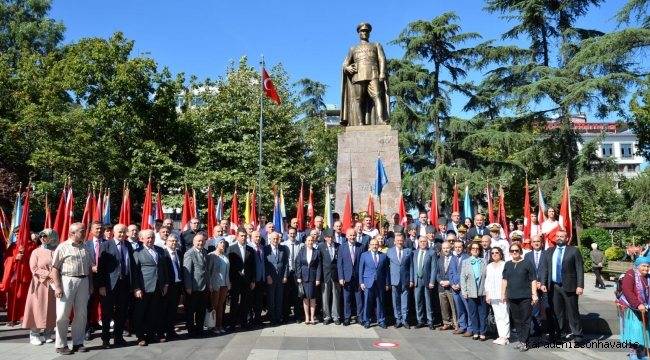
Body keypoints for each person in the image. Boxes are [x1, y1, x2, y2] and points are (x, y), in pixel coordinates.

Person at [50, 223, 94, 355]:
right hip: (67, 280)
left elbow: (89, 267)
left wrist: (91, 284)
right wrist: (57, 287)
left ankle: (78, 342)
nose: (84, 233)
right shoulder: (63, 247)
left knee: (81, 314)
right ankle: (61, 344)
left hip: (83, 280)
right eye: (81, 231)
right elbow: (54, 268)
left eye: (84, 231)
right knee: (63, 314)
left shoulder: (85, 246)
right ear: (72, 233)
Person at [541, 230, 584, 343]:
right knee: (558, 312)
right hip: (553, 286)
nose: (559, 238)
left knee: (573, 311)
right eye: (557, 236)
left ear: (566, 238)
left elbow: (579, 269)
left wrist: (580, 285)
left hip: (570, 286)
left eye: (562, 236)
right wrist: (543, 283)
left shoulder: (574, 251)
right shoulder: (549, 251)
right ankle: (561, 334)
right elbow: (545, 268)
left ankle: (577, 335)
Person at [96, 224, 134, 349]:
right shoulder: (106, 245)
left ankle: (118, 336)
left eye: (124, 232)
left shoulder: (128, 245)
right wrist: (101, 285)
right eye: (120, 232)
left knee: (122, 312)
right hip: (109, 285)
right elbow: (101, 268)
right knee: (107, 313)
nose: (122, 234)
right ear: (114, 232)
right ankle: (105, 339)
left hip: (124, 283)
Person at [23, 229, 58, 345]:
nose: (42, 238)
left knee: (52, 309)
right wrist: (48, 274)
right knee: (37, 308)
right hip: (39, 284)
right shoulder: (36, 252)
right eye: (41, 236)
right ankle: (34, 335)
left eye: (45, 236)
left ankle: (48, 334)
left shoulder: (56, 251)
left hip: (53, 284)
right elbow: (34, 268)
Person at [133, 229, 168, 345]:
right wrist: (137, 288)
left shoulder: (160, 250)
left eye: (152, 237)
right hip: (143, 287)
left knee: (153, 312)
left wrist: (165, 284)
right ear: (141, 239)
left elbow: (164, 269)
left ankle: (151, 334)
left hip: (158, 287)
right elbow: (135, 272)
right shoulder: (137, 252)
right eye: (147, 238)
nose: (150, 240)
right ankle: (140, 336)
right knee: (140, 313)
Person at [503, 243, 538, 352]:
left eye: (516, 250)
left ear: (520, 251)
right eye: (512, 251)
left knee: (525, 319)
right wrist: (503, 294)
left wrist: (534, 294)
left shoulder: (527, 263)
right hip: (512, 296)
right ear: (509, 252)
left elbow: (533, 279)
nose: (514, 252)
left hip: (525, 296)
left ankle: (525, 342)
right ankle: (521, 340)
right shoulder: (507, 264)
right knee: (516, 320)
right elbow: (504, 280)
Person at [617, 256, 650, 360]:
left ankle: (642, 352)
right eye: (643, 266)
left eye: (648, 266)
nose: (646, 268)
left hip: (645, 307)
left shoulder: (648, 277)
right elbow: (627, 290)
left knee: (643, 330)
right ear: (638, 266)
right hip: (631, 307)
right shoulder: (630, 274)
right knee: (635, 331)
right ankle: (633, 353)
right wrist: (637, 304)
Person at [524, 234, 556, 338]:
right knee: (534, 309)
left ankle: (552, 331)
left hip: (545, 286)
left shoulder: (547, 254)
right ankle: (536, 330)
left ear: (542, 243)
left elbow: (550, 270)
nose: (536, 243)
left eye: (538, 241)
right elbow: (526, 271)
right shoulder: (527, 256)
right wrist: (533, 283)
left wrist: (542, 283)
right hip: (533, 287)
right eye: (534, 242)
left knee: (549, 308)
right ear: (531, 243)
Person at [226, 227, 256, 331]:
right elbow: (228, 266)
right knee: (234, 302)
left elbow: (253, 266)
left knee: (245, 302)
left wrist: (253, 280)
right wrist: (229, 280)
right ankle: (232, 324)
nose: (243, 238)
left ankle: (244, 322)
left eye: (245, 236)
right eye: (242, 236)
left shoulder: (250, 249)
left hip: (246, 280)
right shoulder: (231, 248)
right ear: (237, 236)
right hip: (235, 280)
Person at [183, 231, 209, 338]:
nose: (201, 243)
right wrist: (188, 286)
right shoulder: (189, 254)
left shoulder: (205, 252)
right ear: (194, 242)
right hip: (193, 287)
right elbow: (187, 272)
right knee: (190, 310)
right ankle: (191, 330)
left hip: (203, 286)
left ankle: (199, 328)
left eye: (202, 241)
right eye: (198, 241)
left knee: (201, 309)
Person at [359, 238, 390, 329]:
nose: (374, 246)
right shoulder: (364, 255)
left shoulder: (383, 256)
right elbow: (361, 269)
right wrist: (361, 282)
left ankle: (381, 320)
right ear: (369, 245)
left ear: (378, 245)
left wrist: (387, 283)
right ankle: (367, 320)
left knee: (380, 302)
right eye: (372, 244)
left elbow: (386, 271)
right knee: (367, 302)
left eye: (376, 244)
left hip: (380, 282)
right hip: (368, 282)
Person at [461, 242, 488, 341]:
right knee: (473, 313)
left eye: (477, 248)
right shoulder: (465, 262)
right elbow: (463, 278)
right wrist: (464, 291)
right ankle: (476, 332)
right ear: (470, 250)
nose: (475, 250)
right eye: (473, 248)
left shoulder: (484, 261)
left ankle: (483, 332)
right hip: (471, 291)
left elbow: (487, 277)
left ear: (480, 250)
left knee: (483, 313)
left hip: (483, 291)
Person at [338, 228, 364, 325]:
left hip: (358, 277)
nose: (352, 237)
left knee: (359, 299)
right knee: (347, 298)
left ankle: (360, 317)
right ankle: (347, 317)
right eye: (351, 235)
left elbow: (363, 263)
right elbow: (339, 264)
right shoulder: (342, 247)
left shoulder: (361, 247)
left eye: (354, 235)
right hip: (346, 277)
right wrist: (341, 277)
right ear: (347, 236)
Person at [83, 221, 105, 341]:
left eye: (101, 229)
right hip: (89, 279)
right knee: (88, 305)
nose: (99, 231)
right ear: (91, 230)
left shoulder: (108, 244)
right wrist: (90, 267)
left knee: (105, 305)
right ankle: (87, 329)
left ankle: (104, 327)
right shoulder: (85, 245)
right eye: (97, 229)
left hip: (105, 280)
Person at [484, 246, 509, 345]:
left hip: (502, 293)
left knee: (504, 315)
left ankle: (505, 336)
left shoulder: (505, 264)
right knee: (497, 316)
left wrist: (505, 293)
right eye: (493, 253)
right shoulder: (489, 266)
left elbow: (506, 280)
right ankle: (501, 335)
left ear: (501, 254)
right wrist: (487, 295)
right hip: (493, 294)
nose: (494, 254)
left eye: (497, 253)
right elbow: (487, 281)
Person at [387, 233, 413, 329]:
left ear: (404, 242)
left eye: (401, 241)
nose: (399, 242)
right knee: (396, 300)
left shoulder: (408, 251)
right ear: (394, 242)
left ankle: (405, 320)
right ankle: (398, 319)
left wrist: (411, 280)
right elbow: (387, 267)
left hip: (405, 279)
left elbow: (411, 266)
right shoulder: (389, 252)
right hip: (394, 280)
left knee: (405, 300)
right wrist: (388, 281)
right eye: (398, 241)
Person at [161, 234, 183, 339]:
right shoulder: (163, 253)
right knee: (164, 309)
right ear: (167, 242)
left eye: (176, 241)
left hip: (177, 285)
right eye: (172, 241)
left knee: (173, 310)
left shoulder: (179, 253)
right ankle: (161, 331)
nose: (174, 243)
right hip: (167, 286)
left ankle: (170, 330)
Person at [264, 232, 289, 326]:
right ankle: (272, 318)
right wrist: (267, 276)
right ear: (270, 239)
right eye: (273, 238)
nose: (275, 240)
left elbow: (286, 263)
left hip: (280, 278)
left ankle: (278, 317)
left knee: (279, 299)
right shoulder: (266, 249)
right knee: (270, 299)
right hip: (271, 277)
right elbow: (265, 264)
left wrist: (285, 276)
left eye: (277, 238)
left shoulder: (283, 248)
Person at [413, 236, 437, 329]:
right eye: (421, 241)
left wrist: (432, 281)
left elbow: (434, 268)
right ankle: (420, 320)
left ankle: (430, 320)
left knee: (428, 301)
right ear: (418, 243)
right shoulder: (414, 253)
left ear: (427, 243)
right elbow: (412, 267)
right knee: (418, 301)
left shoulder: (431, 253)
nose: (423, 243)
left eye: (424, 241)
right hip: (417, 280)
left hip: (427, 280)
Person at [296, 235, 322, 324]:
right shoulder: (301, 252)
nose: (310, 242)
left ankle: (312, 317)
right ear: (305, 242)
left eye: (312, 240)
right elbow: (298, 265)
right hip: (304, 278)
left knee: (313, 298)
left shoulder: (317, 252)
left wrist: (318, 278)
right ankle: (307, 317)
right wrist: (299, 277)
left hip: (313, 278)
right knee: (305, 298)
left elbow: (319, 266)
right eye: (309, 240)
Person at [319, 228, 341, 325]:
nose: (331, 239)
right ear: (325, 238)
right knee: (325, 297)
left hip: (335, 275)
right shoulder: (321, 246)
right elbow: (319, 262)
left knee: (336, 296)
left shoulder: (338, 246)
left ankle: (336, 316)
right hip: (325, 274)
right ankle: (326, 316)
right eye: (328, 237)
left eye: (332, 237)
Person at [207, 238, 230, 334]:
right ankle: (213, 326)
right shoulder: (211, 255)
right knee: (214, 305)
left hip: (224, 283)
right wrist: (210, 284)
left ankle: (220, 325)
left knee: (221, 306)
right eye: (220, 242)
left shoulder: (226, 256)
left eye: (224, 243)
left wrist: (229, 282)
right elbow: (208, 271)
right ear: (216, 244)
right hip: (215, 284)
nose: (222, 244)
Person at [282, 227, 304, 323]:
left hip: (296, 274)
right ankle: (286, 316)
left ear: (296, 234)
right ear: (287, 234)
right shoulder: (283, 245)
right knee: (286, 295)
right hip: (286, 274)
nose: (292, 235)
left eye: (294, 233)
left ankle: (297, 317)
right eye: (290, 233)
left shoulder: (301, 245)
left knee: (297, 296)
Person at [449, 240, 471, 336]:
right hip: (454, 288)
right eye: (456, 247)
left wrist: (460, 284)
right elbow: (451, 272)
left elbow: (467, 274)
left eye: (459, 247)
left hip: (464, 288)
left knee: (468, 309)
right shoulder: (453, 258)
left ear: (463, 248)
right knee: (459, 309)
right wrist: (452, 283)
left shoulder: (467, 258)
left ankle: (470, 328)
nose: (457, 249)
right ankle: (462, 326)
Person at [437, 241, 458, 331]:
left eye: (447, 248)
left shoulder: (455, 259)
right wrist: (441, 281)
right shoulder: (440, 260)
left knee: (454, 306)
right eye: (444, 248)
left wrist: (450, 282)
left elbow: (457, 273)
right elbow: (437, 273)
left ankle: (456, 324)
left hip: (451, 286)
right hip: (441, 286)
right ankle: (446, 322)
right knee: (443, 306)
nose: (446, 250)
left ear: (451, 248)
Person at [249, 230, 266, 325]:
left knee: (259, 300)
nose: (258, 238)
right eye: (256, 236)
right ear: (252, 237)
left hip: (261, 278)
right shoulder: (249, 247)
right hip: (252, 279)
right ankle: (250, 319)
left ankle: (258, 318)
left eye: (259, 237)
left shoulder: (262, 248)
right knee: (251, 300)